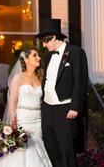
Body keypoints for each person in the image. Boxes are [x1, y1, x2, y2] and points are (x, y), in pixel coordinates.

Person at [37, 29, 88, 167]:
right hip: (47, 107)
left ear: (54, 37)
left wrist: (75, 107)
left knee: (66, 150)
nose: (43, 45)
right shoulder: (48, 56)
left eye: (44, 41)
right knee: (51, 148)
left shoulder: (76, 52)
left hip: (65, 108)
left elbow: (80, 81)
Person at [0, 49, 52, 167]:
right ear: (26, 59)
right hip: (23, 120)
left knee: (38, 151)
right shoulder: (18, 78)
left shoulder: (41, 78)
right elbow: (12, 101)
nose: (39, 58)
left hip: (38, 121)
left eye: (38, 55)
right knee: (22, 151)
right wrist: (13, 118)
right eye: (35, 55)